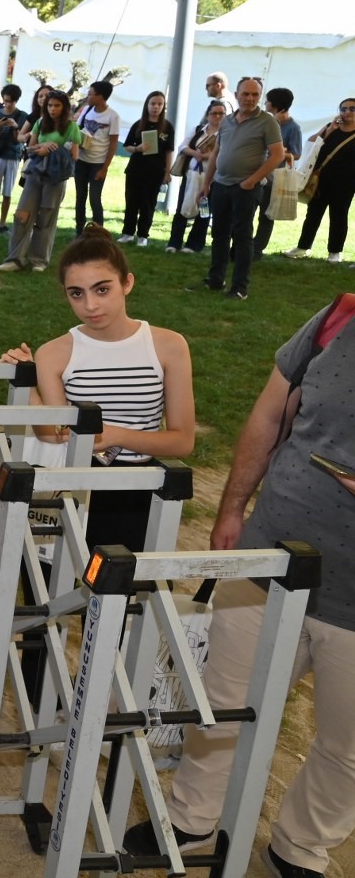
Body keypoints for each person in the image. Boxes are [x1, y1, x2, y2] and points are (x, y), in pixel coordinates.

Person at [120, 295, 355, 878]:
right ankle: (191, 820)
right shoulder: (337, 317)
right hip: (268, 556)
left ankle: (299, 847)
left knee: (349, 747)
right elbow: (269, 415)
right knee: (221, 703)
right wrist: (232, 509)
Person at [0, 225, 194, 702]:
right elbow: (50, 432)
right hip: (74, 492)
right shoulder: (56, 351)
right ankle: (35, 717)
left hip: (136, 493)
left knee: (116, 615)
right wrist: (24, 382)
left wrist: (115, 435)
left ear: (128, 283)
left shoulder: (167, 345)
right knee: (46, 603)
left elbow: (182, 439)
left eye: (102, 289)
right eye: (77, 294)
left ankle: (108, 714)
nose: (91, 305)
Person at [193, 77, 284, 301]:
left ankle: (239, 288)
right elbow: (216, 153)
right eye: (246, 94)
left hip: (246, 189)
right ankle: (216, 280)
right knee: (219, 234)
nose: (250, 99)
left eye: (255, 95)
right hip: (221, 186)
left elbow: (277, 155)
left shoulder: (267, 122)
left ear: (260, 97)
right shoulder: (227, 120)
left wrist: (252, 180)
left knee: (242, 237)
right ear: (236, 94)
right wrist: (207, 183)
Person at [0, 90, 81, 272]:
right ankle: (15, 258)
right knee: (22, 215)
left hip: (56, 178)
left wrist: (53, 149)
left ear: (64, 107)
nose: (52, 109)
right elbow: (30, 148)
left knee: (46, 217)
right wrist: (42, 147)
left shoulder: (72, 127)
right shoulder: (40, 122)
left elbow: (75, 155)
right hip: (35, 173)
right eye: (49, 105)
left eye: (57, 105)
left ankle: (39, 260)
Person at [288, 96, 355, 263]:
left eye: (352, 109)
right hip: (321, 180)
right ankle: (303, 246)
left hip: (346, 183)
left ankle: (335, 252)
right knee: (313, 214)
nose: (347, 112)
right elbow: (311, 143)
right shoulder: (330, 127)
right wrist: (328, 131)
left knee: (339, 216)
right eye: (343, 109)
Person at [116, 91, 175, 246]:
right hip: (136, 169)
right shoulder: (138, 124)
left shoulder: (167, 127)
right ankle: (128, 232)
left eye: (159, 104)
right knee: (131, 201)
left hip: (155, 171)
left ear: (163, 106)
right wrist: (137, 149)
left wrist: (167, 172)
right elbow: (127, 145)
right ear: (147, 105)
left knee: (148, 204)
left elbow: (169, 151)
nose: (156, 107)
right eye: (153, 104)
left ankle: (143, 235)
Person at [167, 101, 226, 254]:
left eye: (221, 113)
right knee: (182, 207)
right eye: (214, 113)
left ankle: (194, 244)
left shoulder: (226, 134)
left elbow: (226, 154)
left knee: (204, 211)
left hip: (213, 178)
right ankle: (174, 242)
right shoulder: (198, 130)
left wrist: (209, 156)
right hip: (192, 175)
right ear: (208, 115)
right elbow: (183, 146)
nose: (218, 116)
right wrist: (196, 154)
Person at [253, 87, 302, 259]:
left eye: (267, 101)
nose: (265, 103)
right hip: (255, 173)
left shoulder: (292, 127)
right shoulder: (264, 121)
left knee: (266, 215)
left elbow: (296, 154)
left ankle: (257, 249)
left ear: (274, 104)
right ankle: (242, 246)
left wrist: (280, 152)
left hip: (273, 177)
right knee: (247, 212)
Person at [72, 80, 121, 237]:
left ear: (100, 97)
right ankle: (79, 231)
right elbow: (77, 130)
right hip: (81, 160)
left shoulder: (113, 116)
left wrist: (104, 168)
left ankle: (99, 233)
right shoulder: (86, 110)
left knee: (94, 198)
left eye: (91, 94)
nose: (88, 97)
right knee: (80, 197)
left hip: (98, 163)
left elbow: (113, 144)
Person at [0, 83, 29, 233]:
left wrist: (14, 127)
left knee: (7, 192)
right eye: (5, 101)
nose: (7, 104)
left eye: (10, 101)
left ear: (16, 100)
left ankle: (2, 222)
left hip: (13, 156)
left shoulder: (22, 116)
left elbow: (18, 139)